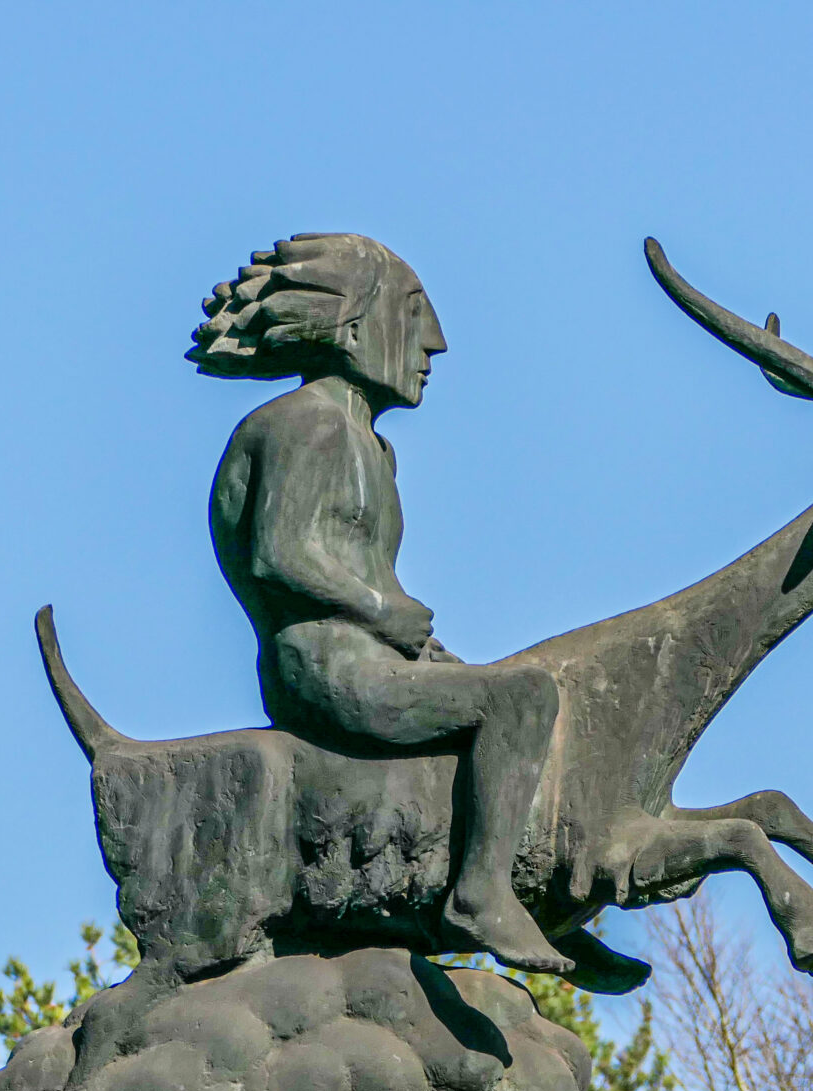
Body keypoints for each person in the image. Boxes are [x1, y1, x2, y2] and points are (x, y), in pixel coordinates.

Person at [191, 234, 571, 976]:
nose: (435, 344)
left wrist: (417, 642)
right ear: (355, 328)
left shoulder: (372, 447)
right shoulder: (306, 422)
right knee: (522, 696)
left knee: (521, 692)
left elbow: (366, 572)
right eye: (413, 313)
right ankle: (482, 893)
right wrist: (379, 612)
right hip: (325, 671)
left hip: (370, 657)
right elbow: (280, 552)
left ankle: (543, 897)